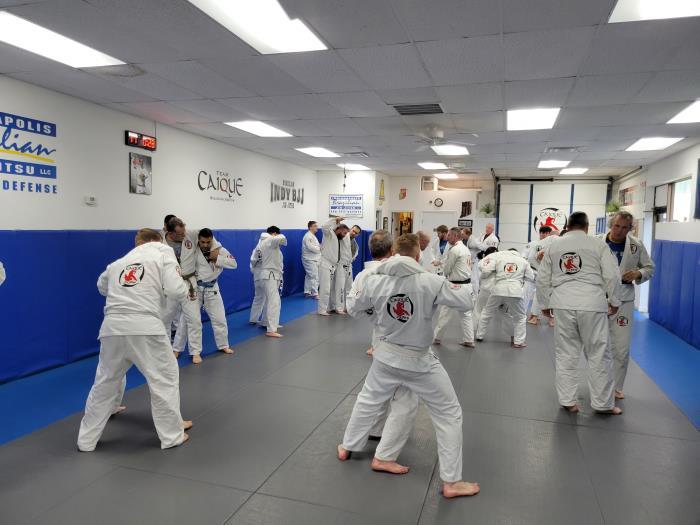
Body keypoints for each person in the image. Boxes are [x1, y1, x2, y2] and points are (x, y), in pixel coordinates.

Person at [339, 233, 479, 499]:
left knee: (368, 400)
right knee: (449, 413)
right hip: (418, 361)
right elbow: (466, 301)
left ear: (394, 252)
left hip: (385, 356)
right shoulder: (430, 281)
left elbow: (354, 308)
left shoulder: (374, 279)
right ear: (418, 255)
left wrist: (375, 311)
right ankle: (451, 481)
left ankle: (348, 446)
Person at [77, 228, 192, 452]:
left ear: (137, 242)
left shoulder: (119, 262)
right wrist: (183, 286)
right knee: (163, 380)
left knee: (104, 382)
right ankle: (171, 435)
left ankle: (86, 440)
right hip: (145, 327)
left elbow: (102, 286)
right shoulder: (163, 253)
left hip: (112, 328)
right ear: (159, 240)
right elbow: (176, 290)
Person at [537, 212, 622, 415]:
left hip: (563, 303)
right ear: (586, 226)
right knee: (598, 354)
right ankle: (603, 404)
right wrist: (615, 301)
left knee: (566, 353)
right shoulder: (598, 244)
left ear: (567, 226)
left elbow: (543, 278)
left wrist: (544, 303)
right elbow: (612, 275)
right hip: (592, 303)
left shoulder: (553, 246)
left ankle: (568, 401)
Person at [599, 211, 654, 399]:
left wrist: (638, 273)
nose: (619, 231)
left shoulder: (636, 245)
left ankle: (616, 386)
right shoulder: (596, 242)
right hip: (598, 298)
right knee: (597, 346)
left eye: (624, 227)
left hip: (624, 300)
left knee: (621, 348)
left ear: (631, 228)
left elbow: (649, 267)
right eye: (616, 226)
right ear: (610, 224)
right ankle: (599, 384)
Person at [172, 228, 237, 359]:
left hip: (212, 289)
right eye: (203, 242)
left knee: (220, 319)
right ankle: (177, 348)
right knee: (186, 320)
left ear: (212, 240)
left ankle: (223, 345)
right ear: (199, 240)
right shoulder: (192, 250)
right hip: (195, 289)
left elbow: (233, 264)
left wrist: (217, 258)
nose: (205, 244)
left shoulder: (220, 250)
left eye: (208, 242)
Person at [162, 217, 206, 363]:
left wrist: (216, 250)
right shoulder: (160, 242)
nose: (184, 235)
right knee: (165, 319)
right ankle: (166, 351)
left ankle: (195, 352)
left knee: (194, 319)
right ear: (170, 232)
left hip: (189, 283)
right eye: (180, 234)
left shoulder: (191, 234)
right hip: (170, 284)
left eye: (184, 231)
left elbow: (209, 237)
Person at [475, 248, 534, 348]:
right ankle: (518, 342)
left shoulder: (499, 259)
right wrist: (519, 277)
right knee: (520, 317)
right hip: (515, 291)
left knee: (486, 312)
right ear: (517, 253)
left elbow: (486, 270)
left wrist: (484, 278)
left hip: (498, 289)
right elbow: (531, 277)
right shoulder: (523, 261)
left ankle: (479, 336)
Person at [433, 227, 475, 347]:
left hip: (455, 287)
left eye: (449, 235)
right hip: (466, 286)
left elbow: (447, 268)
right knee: (466, 314)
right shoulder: (465, 249)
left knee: (445, 313)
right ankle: (469, 340)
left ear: (456, 236)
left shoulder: (455, 250)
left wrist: (443, 273)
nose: (447, 238)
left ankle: (437, 338)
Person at [318, 217, 351, 316]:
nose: (345, 235)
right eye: (344, 233)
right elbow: (324, 226)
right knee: (325, 288)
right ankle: (322, 309)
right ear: (339, 229)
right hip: (325, 264)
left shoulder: (337, 238)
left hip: (333, 266)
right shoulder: (329, 234)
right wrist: (335, 220)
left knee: (330, 289)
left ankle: (329, 307)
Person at [526, 226, 557, 326]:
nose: (543, 234)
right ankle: (549, 318)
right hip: (543, 272)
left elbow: (534, 257)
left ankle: (535, 317)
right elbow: (535, 257)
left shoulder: (543, 244)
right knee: (549, 295)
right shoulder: (548, 242)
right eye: (542, 232)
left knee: (539, 295)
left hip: (543, 272)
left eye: (545, 233)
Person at [259, 226, 287, 338]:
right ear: (274, 234)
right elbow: (283, 239)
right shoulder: (269, 241)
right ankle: (271, 329)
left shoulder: (266, 242)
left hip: (272, 275)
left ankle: (266, 322)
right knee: (274, 302)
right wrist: (276, 236)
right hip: (270, 275)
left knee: (269, 301)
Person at [340, 225, 362, 312]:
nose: (354, 233)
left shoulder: (355, 244)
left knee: (349, 287)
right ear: (350, 229)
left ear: (358, 235)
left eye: (356, 233)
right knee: (340, 287)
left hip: (348, 266)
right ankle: (338, 306)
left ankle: (347, 306)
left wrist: (352, 258)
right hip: (340, 265)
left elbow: (354, 255)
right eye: (353, 231)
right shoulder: (342, 238)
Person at [472, 223, 499, 294]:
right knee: (477, 275)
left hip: (487, 259)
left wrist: (482, 248)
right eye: (486, 227)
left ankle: (483, 291)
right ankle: (477, 290)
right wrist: (480, 247)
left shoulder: (494, 239)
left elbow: (492, 250)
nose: (487, 229)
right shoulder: (482, 235)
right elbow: (476, 242)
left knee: (484, 275)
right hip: (479, 257)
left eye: (489, 228)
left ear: (492, 229)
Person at [249, 232, 270, 325]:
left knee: (258, 297)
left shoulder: (256, 250)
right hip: (266, 276)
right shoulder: (270, 250)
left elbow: (252, 263)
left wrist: (255, 271)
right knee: (268, 298)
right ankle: (265, 321)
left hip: (257, 276)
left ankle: (253, 319)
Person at [302, 221, 321, 298]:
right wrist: (320, 248)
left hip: (313, 259)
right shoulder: (308, 236)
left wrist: (319, 247)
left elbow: (316, 247)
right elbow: (311, 248)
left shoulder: (312, 236)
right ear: (310, 227)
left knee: (309, 276)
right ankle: (315, 293)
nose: (317, 227)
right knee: (314, 276)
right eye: (315, 226)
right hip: (309, 259)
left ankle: (307, 292)